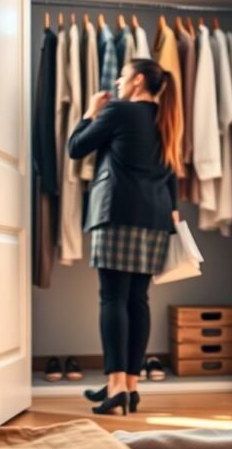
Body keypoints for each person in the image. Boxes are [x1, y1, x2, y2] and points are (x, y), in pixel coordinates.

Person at [68, 58, 182, 415]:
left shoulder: (119, 111)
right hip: (155, 217)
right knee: (138, 300)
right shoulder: (167, 119)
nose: (117, 82)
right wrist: (173, 212)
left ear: (137, 80)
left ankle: (116, 385)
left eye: (122, 76)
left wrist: (89, 113)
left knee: (113, 300)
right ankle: (131, 386)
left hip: (117, 214)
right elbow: (172, 173)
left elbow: (76, 147)